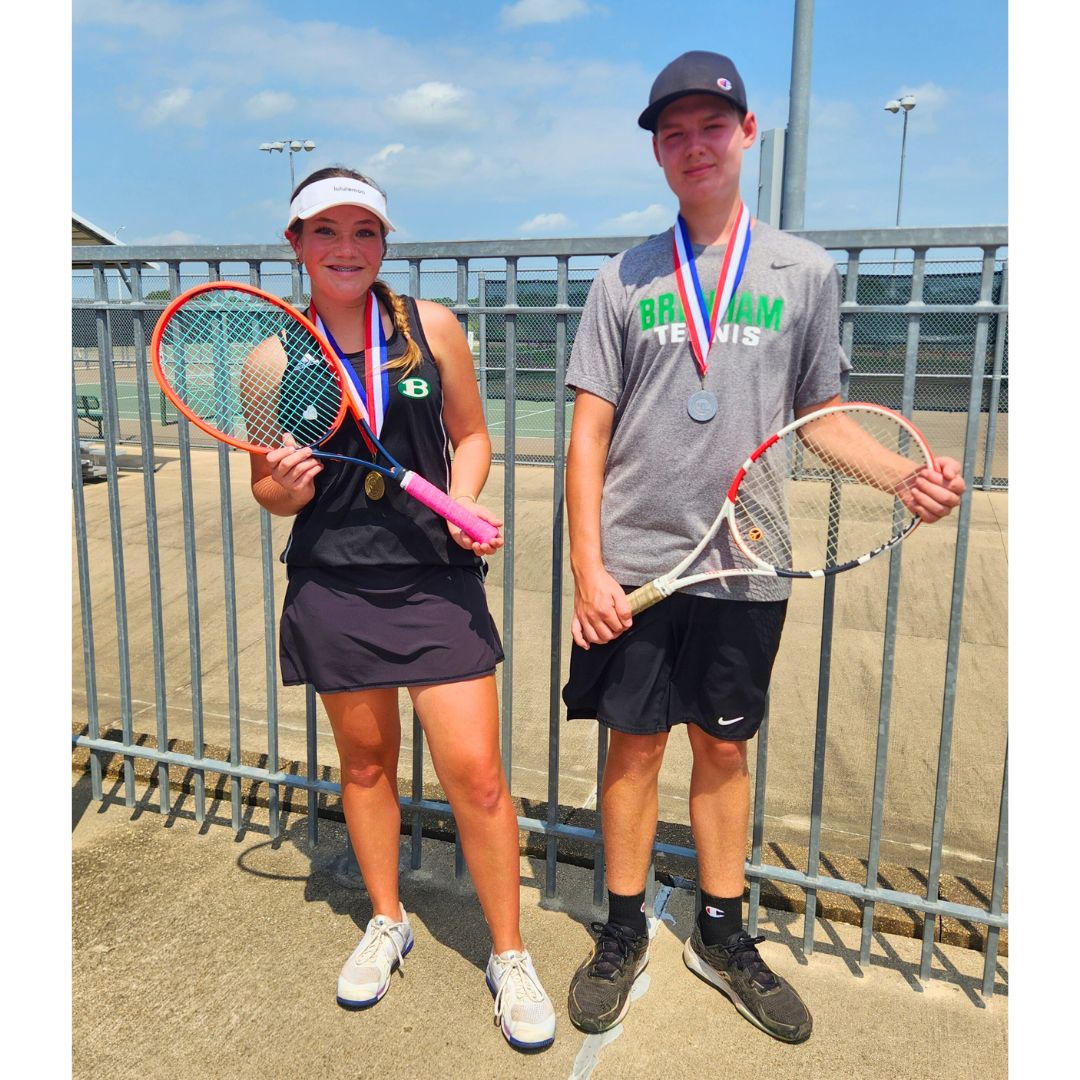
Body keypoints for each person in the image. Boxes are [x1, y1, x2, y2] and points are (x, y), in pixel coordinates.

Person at [562, 52, 966, 1044]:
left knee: (723, 749)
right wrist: (588, 569)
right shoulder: (623, 276)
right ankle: (619, 930)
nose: (693, 146)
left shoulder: (805, 270)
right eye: (673, 132)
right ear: (659, 152)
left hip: (749, 560)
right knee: (632, 749)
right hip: (636, 563)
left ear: (746, 135)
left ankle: (722, 931)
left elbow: (821, 417)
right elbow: (587, 436)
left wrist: (901, 477)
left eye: (711, 127)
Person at [249, 166, 556, 1051]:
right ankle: (388, 920)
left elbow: (471, 435)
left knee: (478, 777)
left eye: (365, 233)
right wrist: (286, 486)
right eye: (326, 232)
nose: (347, 249)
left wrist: (461, 503)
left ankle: (508, 953)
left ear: (384, 244)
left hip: (432, 580)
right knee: (368, 766)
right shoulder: (273, 354)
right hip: (333, 583)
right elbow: (265, 489)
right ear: (296, 244)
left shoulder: (431, 329)